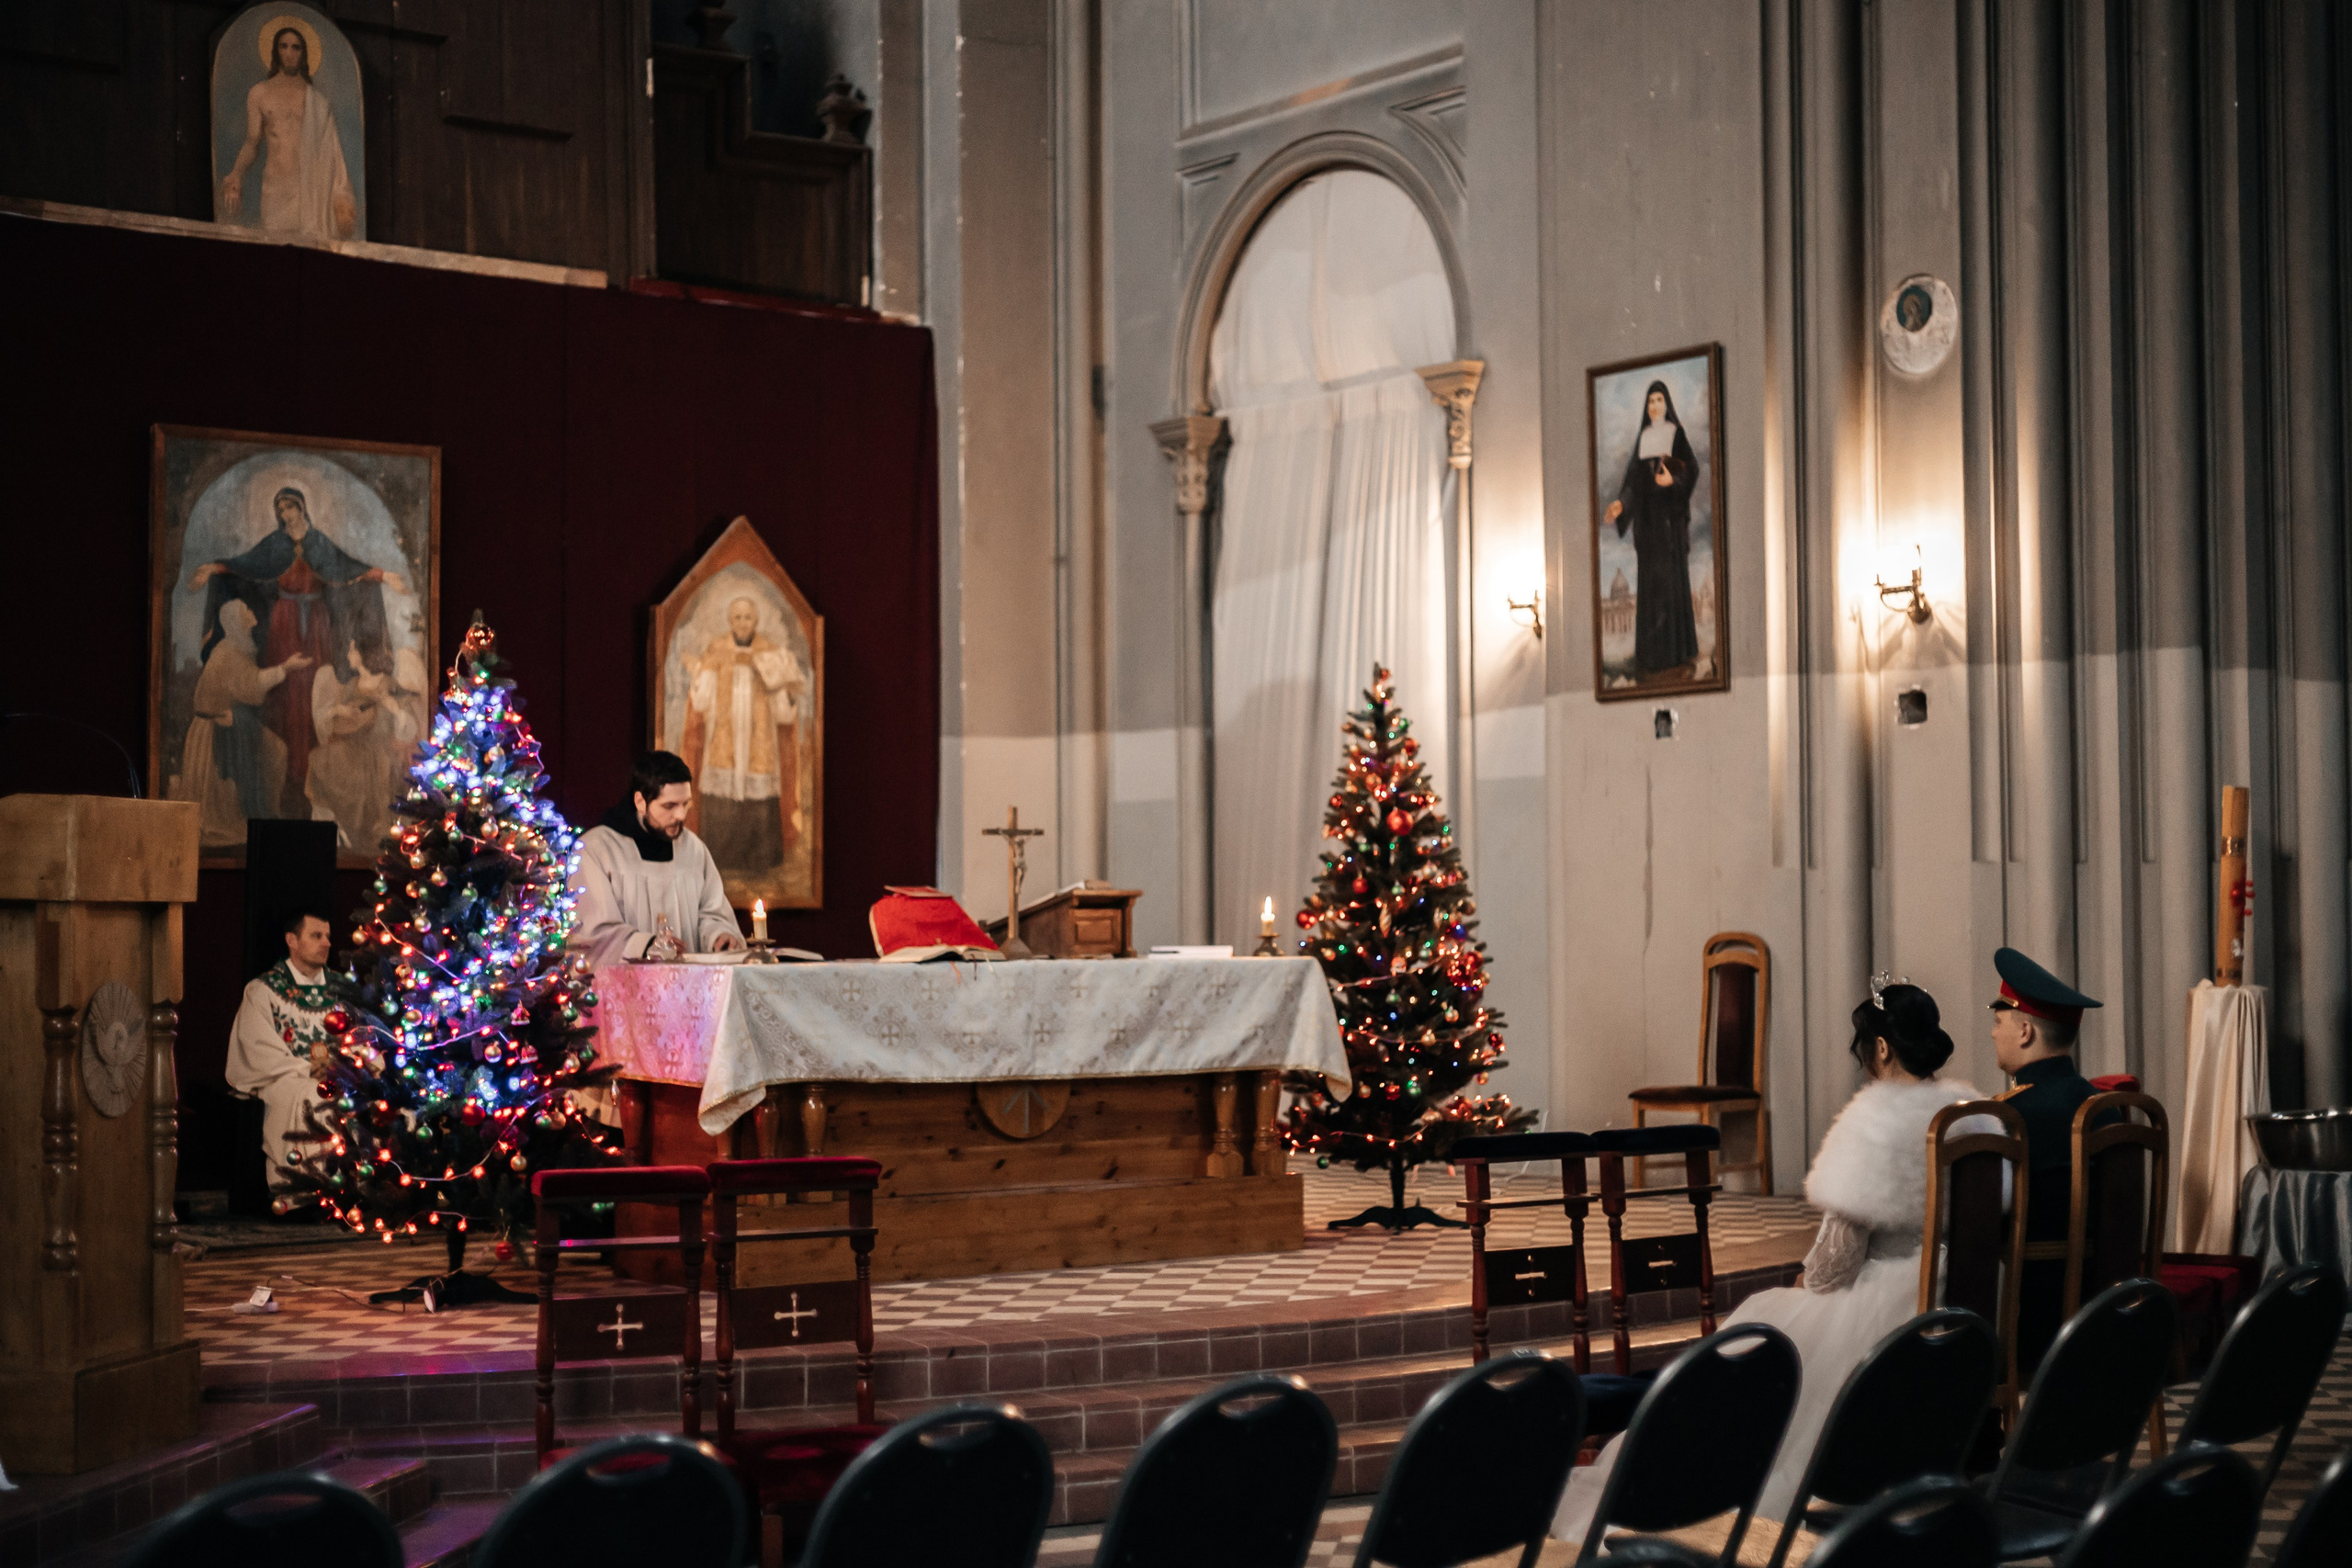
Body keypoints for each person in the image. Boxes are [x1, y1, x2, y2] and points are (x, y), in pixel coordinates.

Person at [1555, 981, 1986, 1544]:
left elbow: (1835, 1264)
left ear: (1882, 1048)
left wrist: (1803, 1280)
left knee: (1759, 1331)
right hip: (1951, 1297)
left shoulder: (1875, 1122)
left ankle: (1683, 1497)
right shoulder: (1970, 1113)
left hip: (1885, 1310)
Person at [189, 485, 408, 817]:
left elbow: (349, 568)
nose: (285, 515)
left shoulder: (319, 543)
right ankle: (286, 766)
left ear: (302, 508)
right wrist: (214, 569)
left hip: (317, 626)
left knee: (313, 685)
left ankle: (311, 766)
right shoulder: (275, 544)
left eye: (290, 508)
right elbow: (245, 565)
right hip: (284, 625)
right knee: (286, 690)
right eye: (281, 510)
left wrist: (384, 575)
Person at [1988, 945, 2104, 1376]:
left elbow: (1977, 1222)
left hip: (2028, 1321)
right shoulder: (2104, 1106)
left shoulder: (2009, 1118)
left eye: (1998, 1022)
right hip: (2102, 1309)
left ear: (2025, 1032)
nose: (1993, 1034)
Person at [570, 750, 746, 969]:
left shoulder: (693, 849)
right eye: (669, 806)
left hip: (689, 982)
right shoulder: (597, 849)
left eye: (685, 804)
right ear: (640, 801)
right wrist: (646, 945)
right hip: (627, 983)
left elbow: (712, 912)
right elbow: (592, 933)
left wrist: (719, 936)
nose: (681, 815)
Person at [680, 595, 804, 874]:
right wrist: (698, 672)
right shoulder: (717, 650)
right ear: (730, 621)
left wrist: (788, 692)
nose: (743, 623)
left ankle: (759, 862)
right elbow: (701, 701)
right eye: (737, 617)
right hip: (723, 742)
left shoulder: (770, 653)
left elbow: (783, 713)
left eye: (748, 617)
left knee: (757, 798)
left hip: (760, 745)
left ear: (756, 620)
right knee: (723, 798)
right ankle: (721, 861)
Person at [224, 908, 344, 1194]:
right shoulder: (263, 990)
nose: (327, 943)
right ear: (292, 940)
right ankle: (307, 1189)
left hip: (337, 1075)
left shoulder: (342, 991)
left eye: (328, 936)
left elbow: (363, 1036)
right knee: (312, 1094)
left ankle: (355, 1188)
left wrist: (346, 1067)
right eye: (316, 936)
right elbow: (257, 1047)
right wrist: (308, 1070)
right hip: (283, 1078)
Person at [174, 598, 310, 844]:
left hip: (230, 723)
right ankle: (253, 818)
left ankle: (263, 815)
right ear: (236, 621)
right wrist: (286, 668)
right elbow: (253, 686)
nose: (252, 614)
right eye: (246, 610)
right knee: (274, 752)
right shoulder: (228, 653)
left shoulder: (234, 649)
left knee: (276, 751)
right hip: (214, 730)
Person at [220, 24, 356, 239]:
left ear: (304, 53)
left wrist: (341, 196)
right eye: (284, 46)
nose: (289, 53)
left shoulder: (318, 102)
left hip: (309, 189)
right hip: (276, 186)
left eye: (296, 47)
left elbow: (332, 154)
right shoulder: (260, 93)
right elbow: (252, 142)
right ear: (276, 51)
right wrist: (236, 173)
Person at [1603, 381, 1701, 679]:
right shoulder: (1644, 438)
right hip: (1647, 526)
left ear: (1666, 404)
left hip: (1669, 524)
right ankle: (1651, 658)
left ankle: (1676, 655)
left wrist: (1673, 480)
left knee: (1671, 586)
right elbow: (1633, 483)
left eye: (1659, 400)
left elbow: (1691, 469)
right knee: (1650, 587)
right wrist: (1621, 505)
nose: (1655, 406)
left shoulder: (1675, 434)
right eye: (1651, 401)